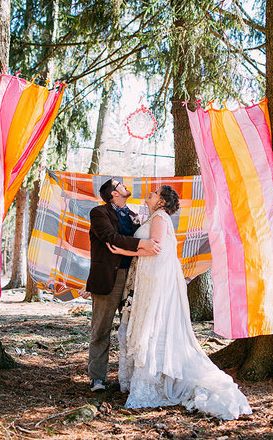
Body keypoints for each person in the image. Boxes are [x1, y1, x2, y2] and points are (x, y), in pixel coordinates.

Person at [107, 185, 251, 420]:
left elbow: (155, 248)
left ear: (162, 202)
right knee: (148, 324)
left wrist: (126, 252)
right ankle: (151, 376)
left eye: (154, 194)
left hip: (155, 278)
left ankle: (156, 379)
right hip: (149, 277)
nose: (149, 195)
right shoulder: (154, 217)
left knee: (152, 324)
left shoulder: (160, 218)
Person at [85, 178, 161, 392]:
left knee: (131, 328)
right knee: (101, 329)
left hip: (134, 277)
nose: (125, 185)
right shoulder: (99, 213)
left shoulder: (134, 215)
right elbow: (111, 238)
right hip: (109, 277)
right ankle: (97, 378)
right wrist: (141, 244)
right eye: (119, 184)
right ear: (113, 193)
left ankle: (129, 378)